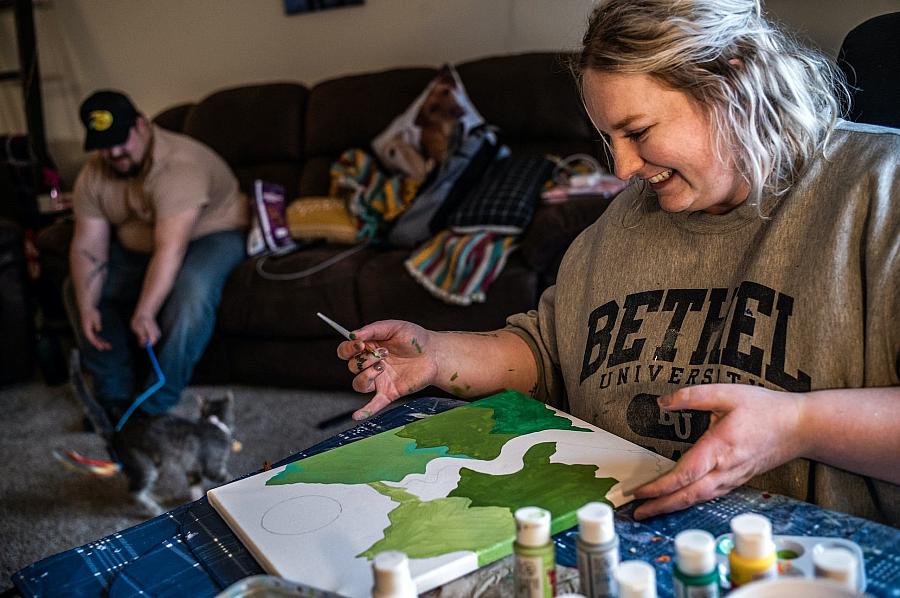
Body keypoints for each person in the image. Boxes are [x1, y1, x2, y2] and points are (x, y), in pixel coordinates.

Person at [336, 0, 900, 526]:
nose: (624, 167)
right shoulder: (622, 222)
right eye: (609, 139)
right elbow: (548, 353)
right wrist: (434, 355)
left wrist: (797, 426)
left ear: (732, 81)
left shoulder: (880, 190)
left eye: (637, 132)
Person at [66, 90, 247, 419]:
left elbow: (170, 248)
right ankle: (114, 398)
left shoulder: (179, 165)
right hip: (142, 246)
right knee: (78, 289)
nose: (115, 152)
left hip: (211, 234)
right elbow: (87, 246)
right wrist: (87, 304)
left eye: (122, 139)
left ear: (141, 125)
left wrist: (146, 312)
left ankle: (154, 401)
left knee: (192, 289)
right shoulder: (94, 175)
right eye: (104, 144)